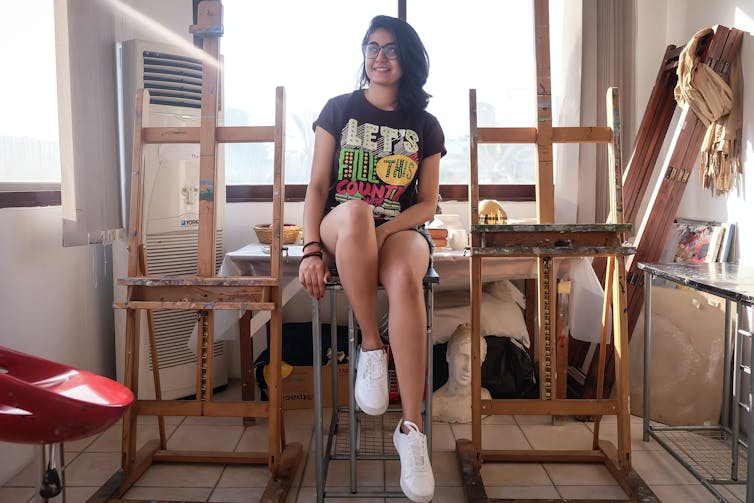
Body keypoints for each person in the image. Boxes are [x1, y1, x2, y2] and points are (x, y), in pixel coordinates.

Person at [298, 15, 445, 503]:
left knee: (404, 275)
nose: (379, 56)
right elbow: (318, 188)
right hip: (344, 226)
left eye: (391, 49)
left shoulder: (424, 124)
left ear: (409, 60)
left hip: (397, 229)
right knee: (357, 211)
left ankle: (411, 432)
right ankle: (371, 347)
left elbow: (426, 203)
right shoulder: (338, 109)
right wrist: (312, 249)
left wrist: (388, 230)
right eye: (371, 47)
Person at [432, 323, 492, 424]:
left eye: (474, 359)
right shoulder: (435, 404)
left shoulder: (484, 399)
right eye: (462, 357)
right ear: (448, 355)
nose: (467, 368)